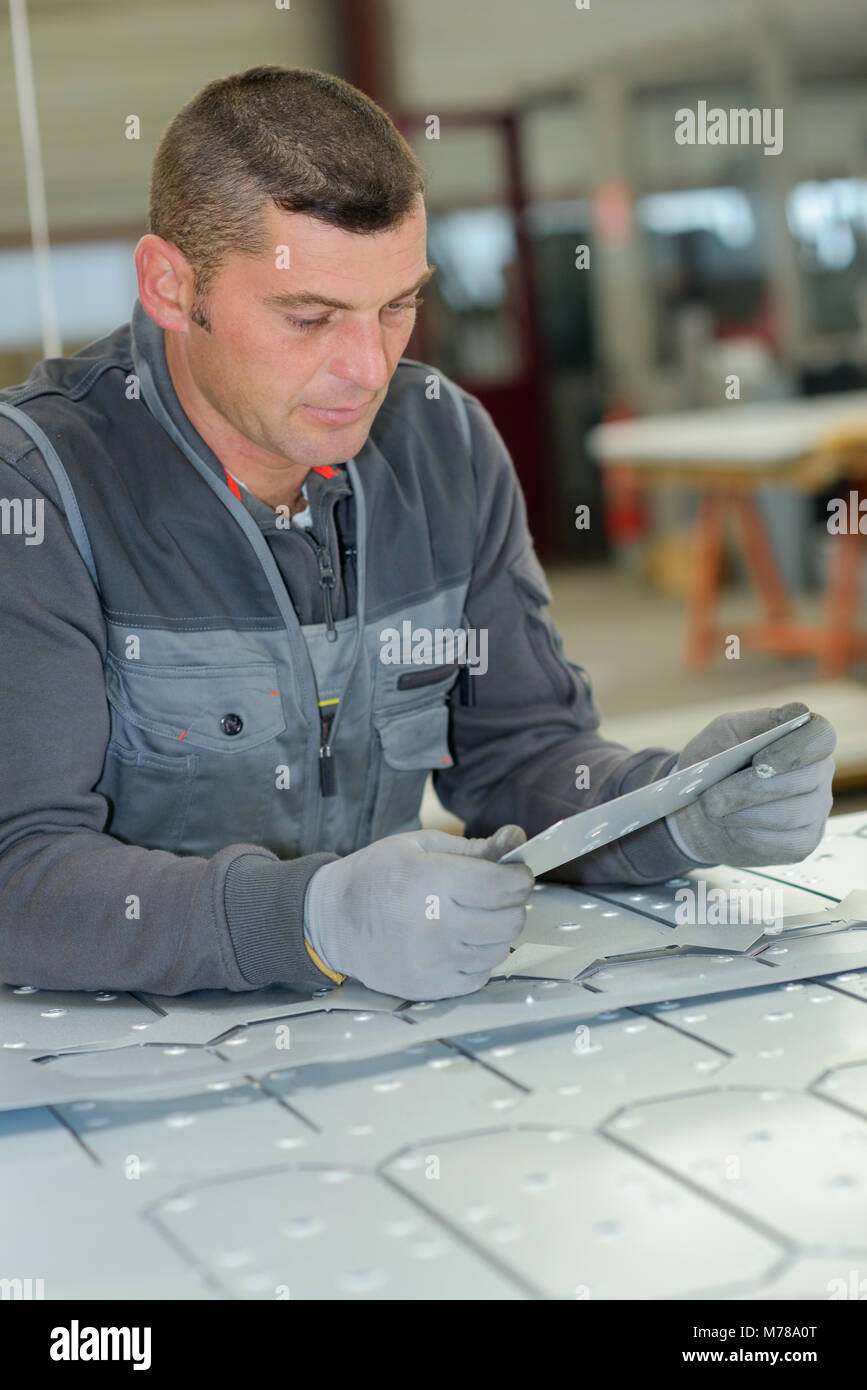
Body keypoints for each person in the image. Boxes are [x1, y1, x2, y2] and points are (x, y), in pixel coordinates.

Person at [0, 67, 835, 1002]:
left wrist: (676, 809)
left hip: (371, 1034)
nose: (365, 370)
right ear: (169, 284)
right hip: (98, 1077)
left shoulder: (441, 442)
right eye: (308, 317)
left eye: (396, 306)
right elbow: (16, 875)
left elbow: (520, 759)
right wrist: (309, 920)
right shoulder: (37, 493)